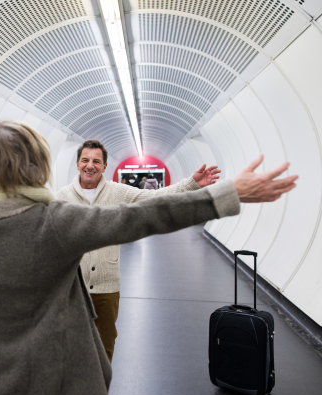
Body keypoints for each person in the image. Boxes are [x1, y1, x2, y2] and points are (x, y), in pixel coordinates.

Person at [0, 120, 296, 395]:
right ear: (35, 169)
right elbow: (147, 216)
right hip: (40, 386)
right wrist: (227, 194)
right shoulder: (54, 221)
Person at [56, 140, 220, 362]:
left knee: (104, 348)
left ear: (105, 166)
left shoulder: (117, 192)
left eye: (96, 161)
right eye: (85, 160)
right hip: (72, 289)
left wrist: (191, 184)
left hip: (106, 289)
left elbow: (155, 199)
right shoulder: (62, 197)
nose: (90, 165)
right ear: (77, 164)